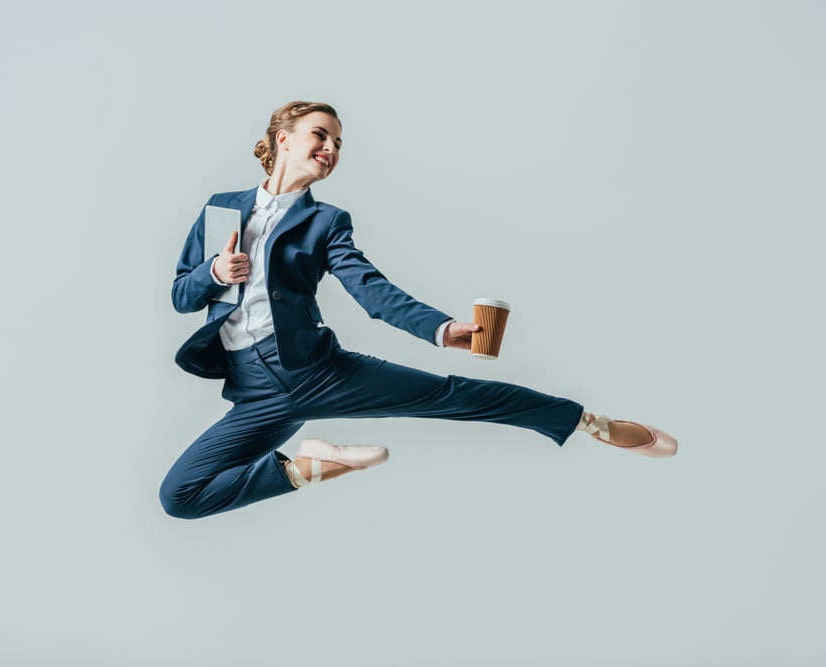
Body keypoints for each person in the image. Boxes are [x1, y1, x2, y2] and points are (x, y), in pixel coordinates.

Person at [160, 101, 676, 520]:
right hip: (255, 391)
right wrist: (214, 274)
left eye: (338, 143)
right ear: (283, 138)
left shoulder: (326, 221)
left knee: (452, 397)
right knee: (179, 497)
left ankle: (591, 423)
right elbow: (184, 295)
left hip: (314, 369)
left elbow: (368, 287)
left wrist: (440, 328)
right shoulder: (221, 209)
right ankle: (306, 467)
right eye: (320, 135)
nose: (330, 148)